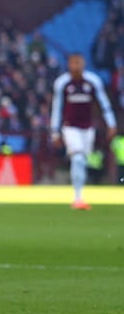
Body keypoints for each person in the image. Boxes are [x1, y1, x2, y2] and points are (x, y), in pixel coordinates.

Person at [50, 53, 117, 209]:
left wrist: (111, 124)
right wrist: (55, 131)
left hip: (88, 128)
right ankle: (77, 198)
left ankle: (79, 195)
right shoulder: (62, 83)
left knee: (83, 160)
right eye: (73, 63)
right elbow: (57, 108)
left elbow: (104, 103)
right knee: (78, 158)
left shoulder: (93, 81)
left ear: (83, 64)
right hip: (70, 127)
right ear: (68, 64)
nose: (76, 66)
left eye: (79, 63)